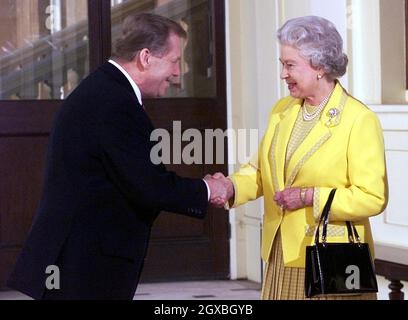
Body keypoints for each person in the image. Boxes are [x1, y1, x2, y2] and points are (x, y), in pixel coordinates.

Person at [7, 13, 229, 300]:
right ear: (146, 57)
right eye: (175, 61)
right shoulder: (115, 103)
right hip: (84, 263)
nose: (178, 72)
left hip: (79, 256)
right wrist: (210, 188)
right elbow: (149, 186)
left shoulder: (105, 89)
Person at [213, 16, 388, 300]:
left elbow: (372, 196)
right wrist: (230, 187)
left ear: (319, 66)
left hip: (333, 258)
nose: (283, 74)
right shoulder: (283, 110)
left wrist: (310, 196)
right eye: (282, 64)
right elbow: (259, 171)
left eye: (290, 65)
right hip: (282, 253)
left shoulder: (358, 120)